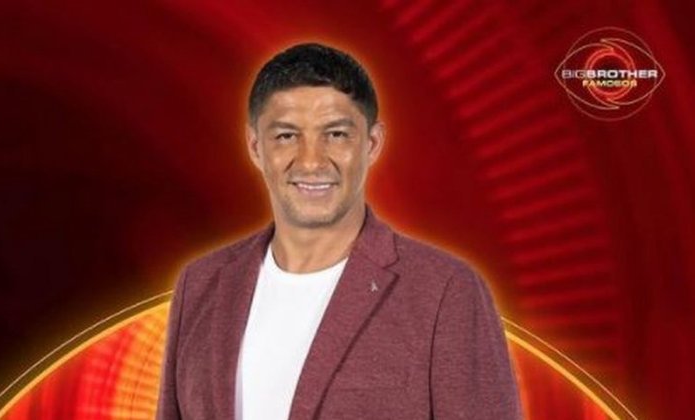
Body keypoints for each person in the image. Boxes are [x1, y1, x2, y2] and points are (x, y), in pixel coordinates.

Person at [157, 42, 521, 420]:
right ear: (255, 146)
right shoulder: (200, 284)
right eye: (286, 136)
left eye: (335, 135)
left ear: (372, 143)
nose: (311, 162)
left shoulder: (445, 290)